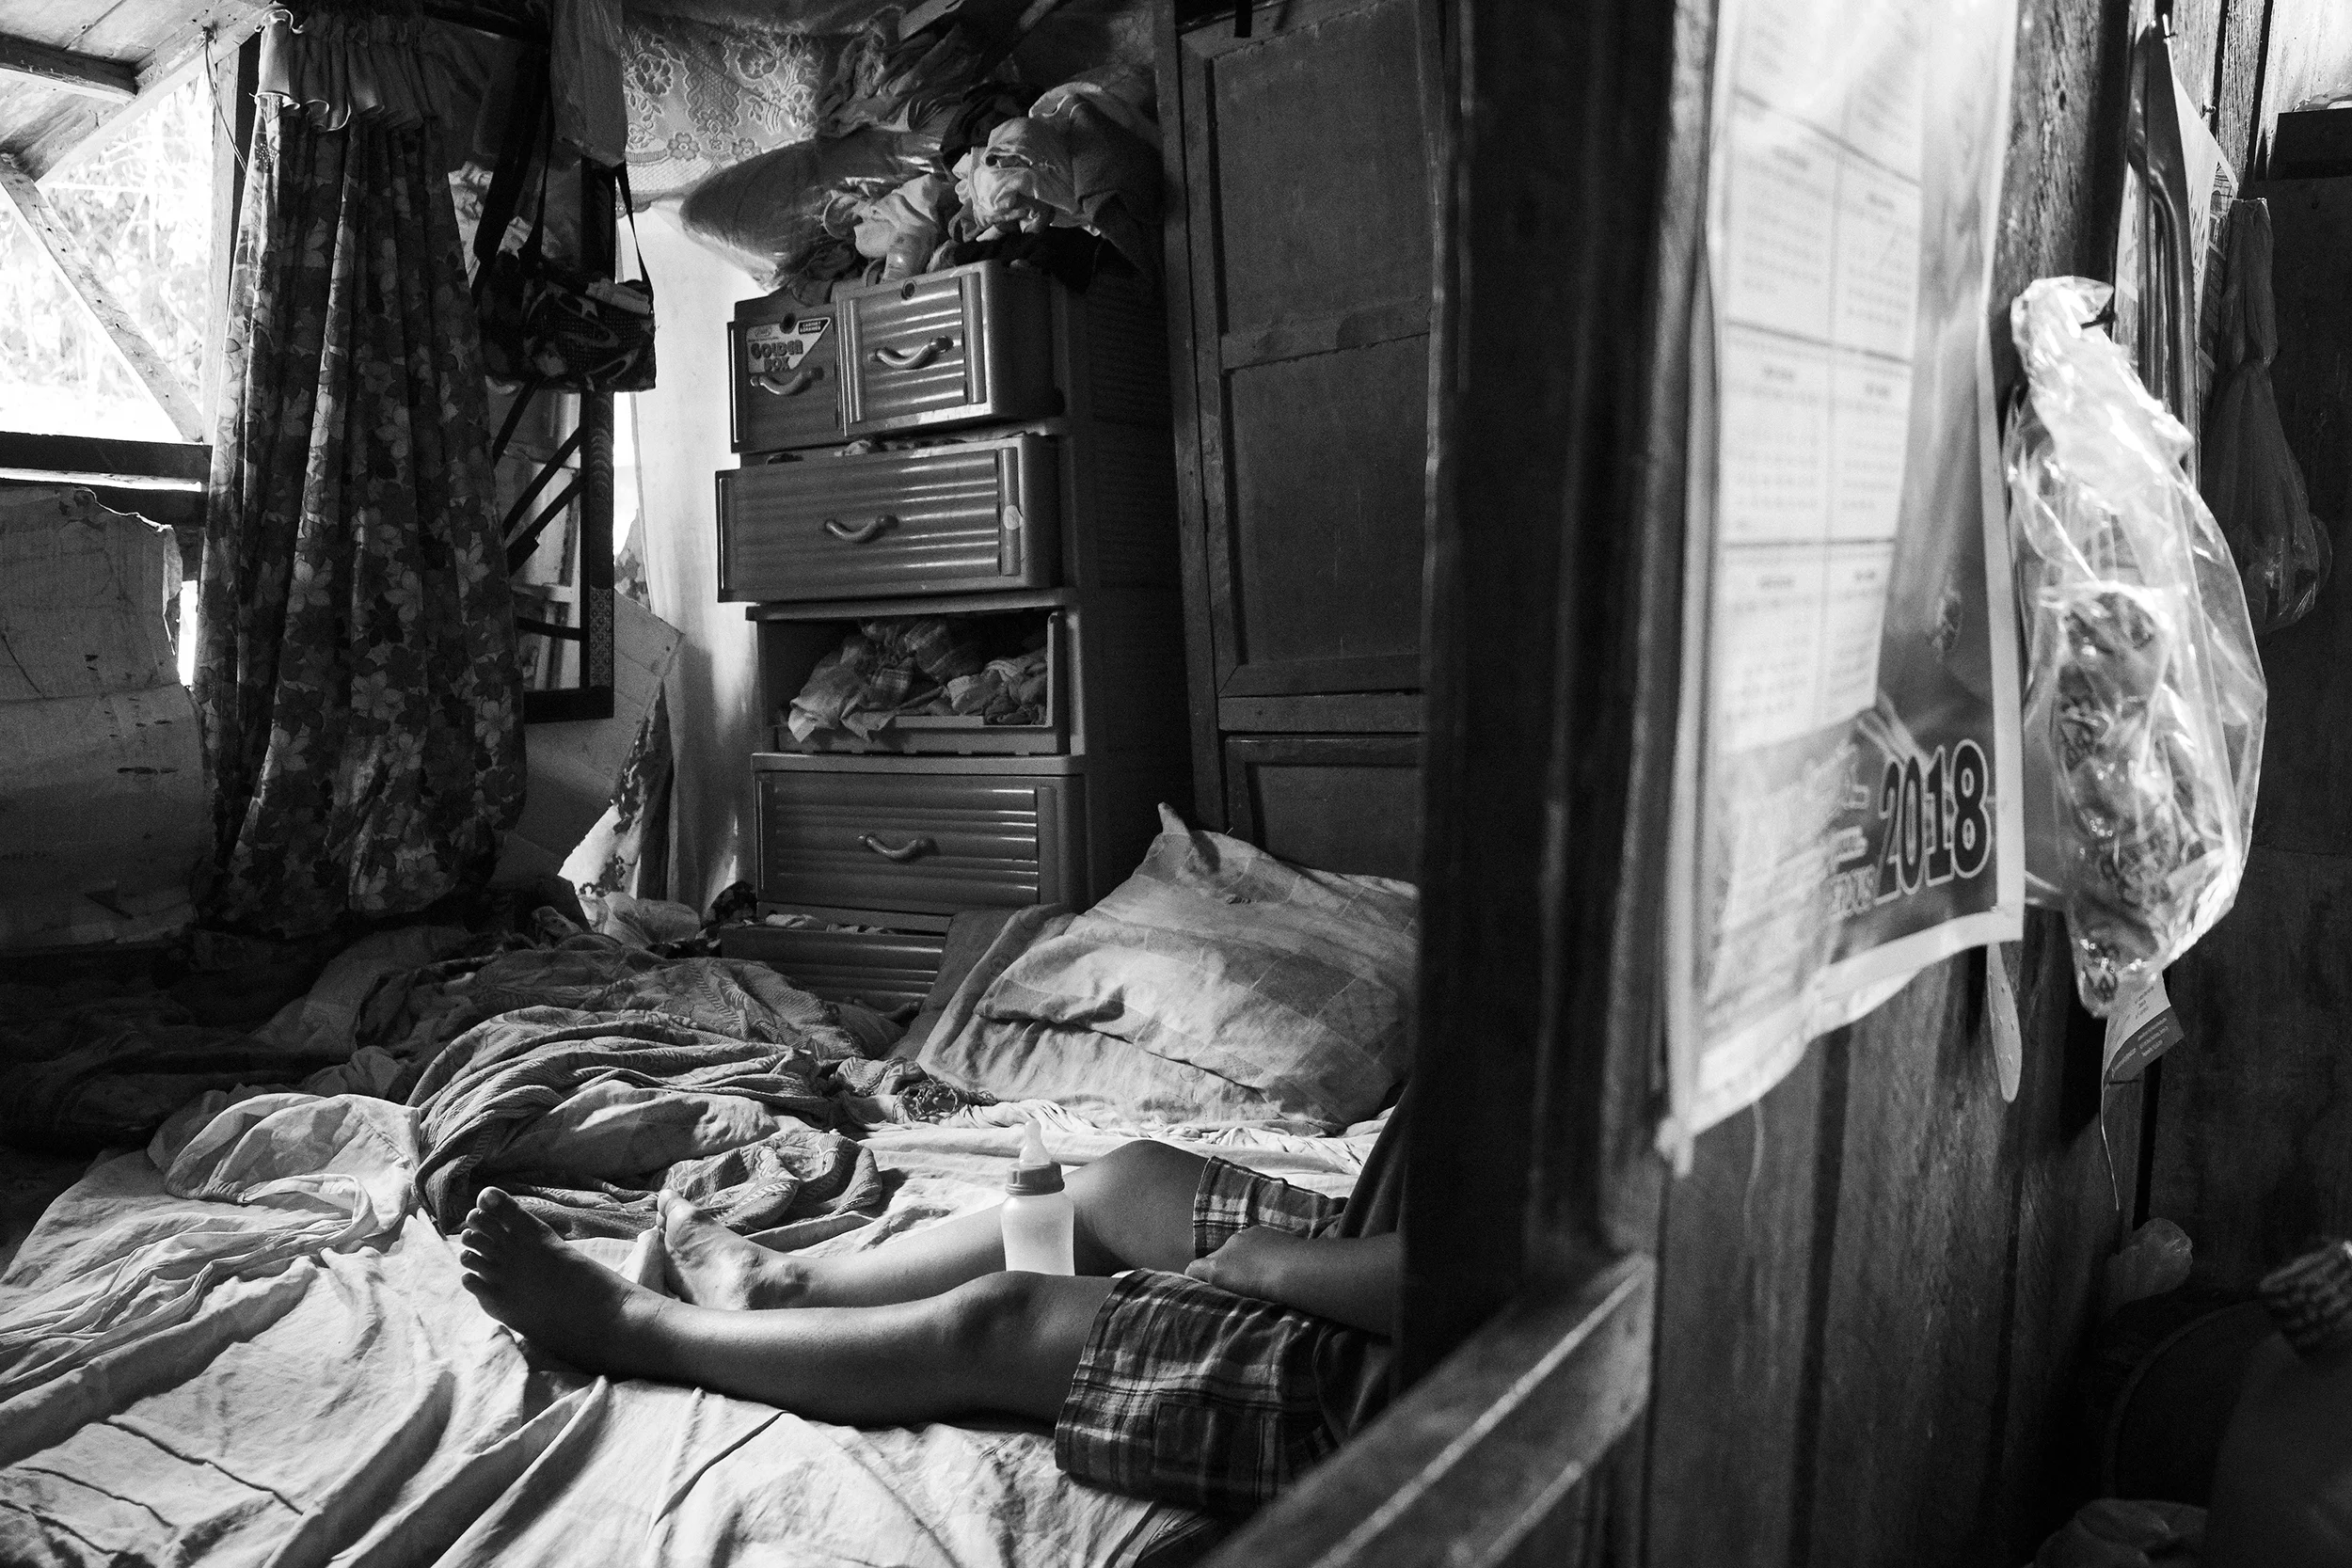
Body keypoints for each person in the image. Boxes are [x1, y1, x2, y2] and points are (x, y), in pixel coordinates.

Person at [458, 1083, 1412, 1515]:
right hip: (1392, 1241)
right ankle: (783, 1284)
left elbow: (1491, 1284)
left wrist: (1271, 1265)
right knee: (1123, 1181)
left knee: (1001, 1314)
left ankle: (645, 1328)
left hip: (1406, 1374)